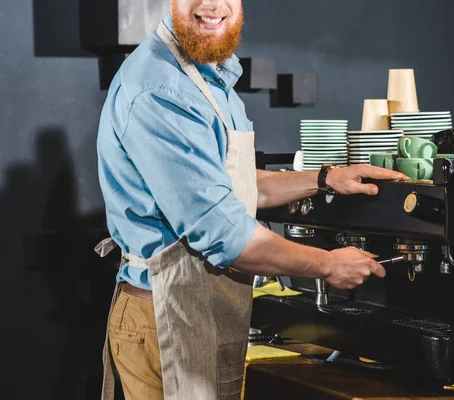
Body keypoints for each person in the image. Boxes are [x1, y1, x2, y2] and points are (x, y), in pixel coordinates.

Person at [95, 0, 407, 399]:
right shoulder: (161, 88)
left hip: (196, 310)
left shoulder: (206, 76)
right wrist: (328, 265)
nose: (212, 4)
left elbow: (234, 186)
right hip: (166, 319)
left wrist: (326, 179)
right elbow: (222, 232)